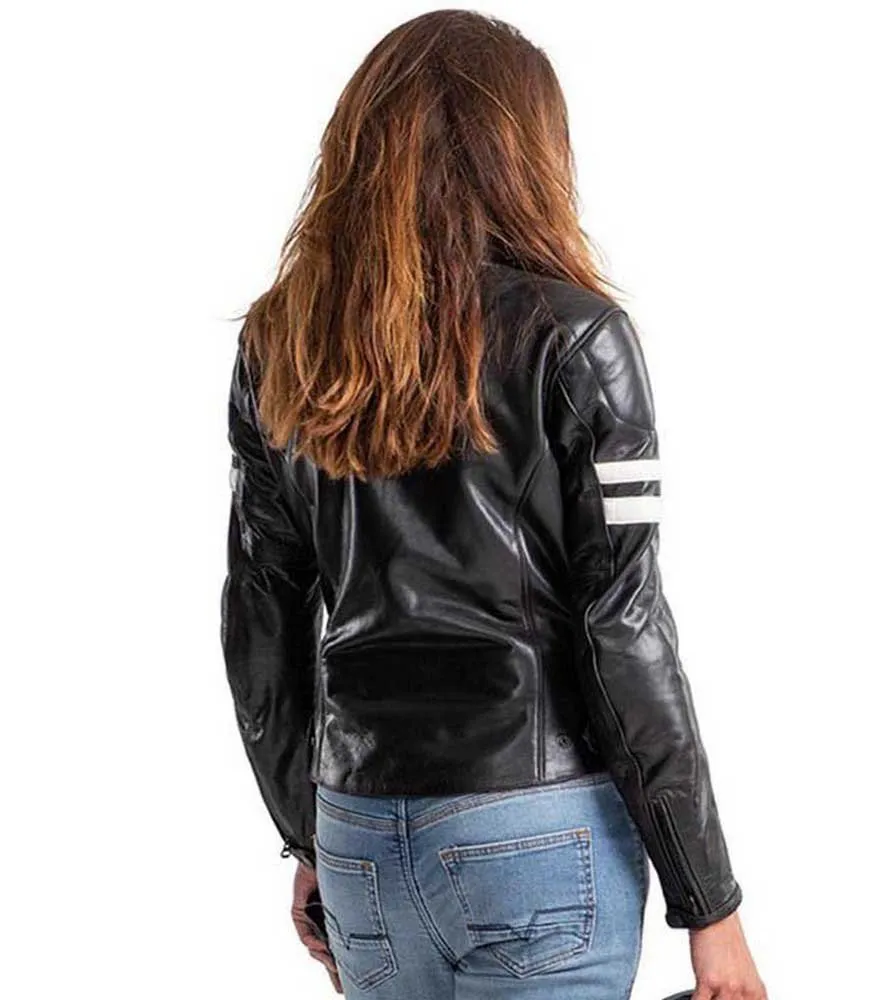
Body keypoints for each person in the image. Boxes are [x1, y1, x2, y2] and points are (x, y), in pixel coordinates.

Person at [220, 10, 766, 1000]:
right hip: (536, 832)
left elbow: (260, 615)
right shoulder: (577, 338)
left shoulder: (280, 346)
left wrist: (308, 835)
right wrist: (711, 907)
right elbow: (622, 628)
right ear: (526, 154)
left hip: (357, 830)